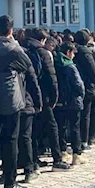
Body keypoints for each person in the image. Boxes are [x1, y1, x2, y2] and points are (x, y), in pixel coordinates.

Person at [0, 15, 41, 188]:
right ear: (10, 30)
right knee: (11, 140)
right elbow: (27, 67)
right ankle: (9, 183)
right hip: (10, 97)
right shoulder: (14, 48)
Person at [23, 29, 70, 171]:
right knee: (52, 126)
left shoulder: (23, 50)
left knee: (33, 129)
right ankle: (57, 159)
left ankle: (34, 159)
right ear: (43, 40)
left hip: (28, 95)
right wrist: (55, 96)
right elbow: (51, 77)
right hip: (44, 96)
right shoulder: (43, 53)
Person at [54, 42, 84, 166]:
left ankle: (63, 151)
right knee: (75, 128)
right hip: (72, 100)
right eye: (73, 53)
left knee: (61, 128)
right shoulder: (70, 66)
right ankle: (76, 154)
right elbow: (78, 84)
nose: (74, 56)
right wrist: (81, 95)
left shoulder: (55, 63)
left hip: (60, 101)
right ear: (68, 52)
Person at [73, 31, 95, 149]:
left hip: (77, 85)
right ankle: (85, 140)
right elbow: (93, 71)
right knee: (87, 114)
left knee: (80, 114)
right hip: (88, 85)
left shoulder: (74, 50)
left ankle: (80, 139)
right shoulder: (86, 52)